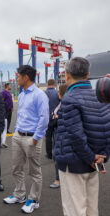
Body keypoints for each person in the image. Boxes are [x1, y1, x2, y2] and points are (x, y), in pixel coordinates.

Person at [54, 57, 110, 216]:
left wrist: (91, 158)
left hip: (74, 164)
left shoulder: (69, 98)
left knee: (74, 210)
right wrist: (102, 157)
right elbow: (107, 129)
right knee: (92, 208)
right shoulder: (100, 95)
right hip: (94, 163)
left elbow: (76, 135)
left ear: (67, 75)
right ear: (87, 75)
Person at [3, 65, 49, 214]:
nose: (17, 79)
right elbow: (22, 115)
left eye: (18, 76)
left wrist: (35, 139)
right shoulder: (22, 94)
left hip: (31, 138)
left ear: (26, 77)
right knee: (16, 168)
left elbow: (44, 119)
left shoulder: (39, 95)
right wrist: (16, 131)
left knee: (34, 171)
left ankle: (34, 200)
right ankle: (19, 194)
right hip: (18, 136)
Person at [49, 84, 67, 189]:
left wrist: (55, 116)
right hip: (58, 131)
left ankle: (58, 179)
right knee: (57, 154)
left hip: (62, 133)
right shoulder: (61, 103)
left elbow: (60, 117)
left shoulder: (65, 104)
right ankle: (59, 178)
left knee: (57, 155)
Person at [45, 79, 60, 159]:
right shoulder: (57, 93)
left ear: (48, 84)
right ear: (54, 84)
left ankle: (49, 154)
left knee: (48, 137)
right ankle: (57, 153)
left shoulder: (43, 94)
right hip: (56, 117)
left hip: (46, 118)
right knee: (57, 136)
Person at [1, 83, 14, 148]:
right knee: (5, 120)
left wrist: (12, 107)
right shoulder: (4, 92)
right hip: (5, 109)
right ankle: (4, 129)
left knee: (9, 119)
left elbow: (10, 100)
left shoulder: (9, 92)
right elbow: (2, 100)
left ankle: (7, 129)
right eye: (10, 85)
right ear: (7, 86)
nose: (10, 86)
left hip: (9, 108)